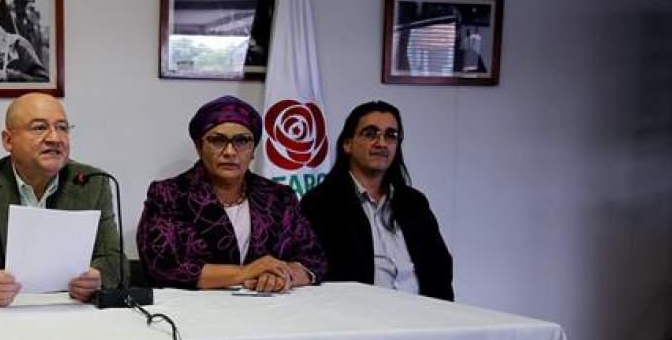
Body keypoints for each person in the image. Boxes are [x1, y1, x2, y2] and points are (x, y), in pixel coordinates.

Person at [0, 92, 123, 305]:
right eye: (39, 128)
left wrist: (97, 278)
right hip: (0, 315)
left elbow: (114, 261)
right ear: (8, 140)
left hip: (69, 311)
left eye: (62, 128)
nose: (55, 138)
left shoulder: (92, 183)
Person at [137, 95, 326, 292]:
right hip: (196, 307)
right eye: (217, 140)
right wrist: (246, 272)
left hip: (271, 305)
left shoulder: (279, 197)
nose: (230, 152)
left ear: (253, 150)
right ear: (199, 147)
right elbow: (161, 266)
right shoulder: (169, 195)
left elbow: (314, 259)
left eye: (242, 140)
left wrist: (282, 274)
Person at [300, 101, 454, 300]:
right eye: (370, 134)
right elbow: (320, 272)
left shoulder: (414, 203)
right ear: (347, 144)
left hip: (423, 312)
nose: (381, 143)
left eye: (391, 135)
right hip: (359, 314)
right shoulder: (321, 203)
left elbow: (440, 268)